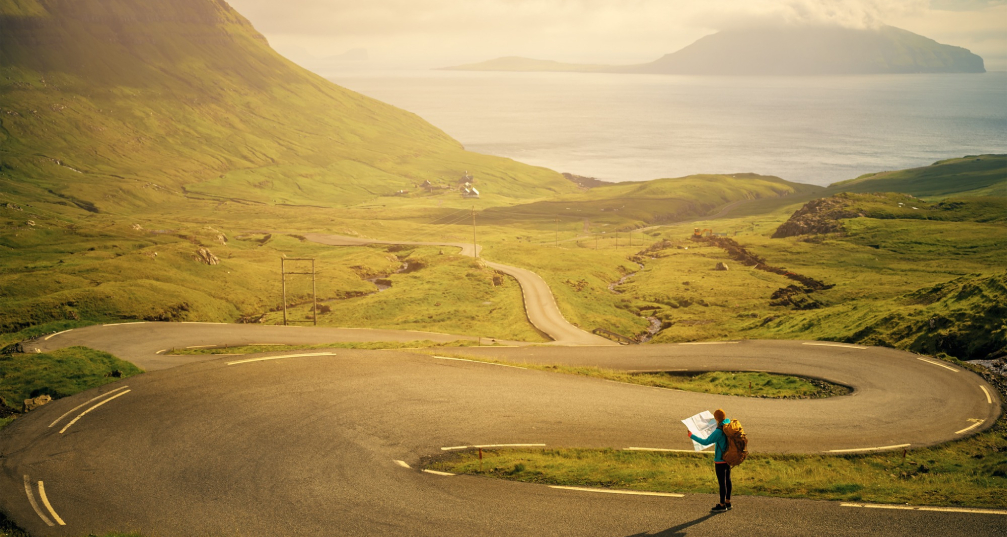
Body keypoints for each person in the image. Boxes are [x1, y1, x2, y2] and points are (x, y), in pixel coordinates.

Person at [688, 408, 732, 512]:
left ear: (716, 418)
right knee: (728, 480)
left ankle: (721, 505)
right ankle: (728, 502)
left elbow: (705, 442)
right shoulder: (728, 425)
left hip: (720, 460)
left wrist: (691, 436)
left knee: (722, 483)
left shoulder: (719, 431)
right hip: (729, 458)